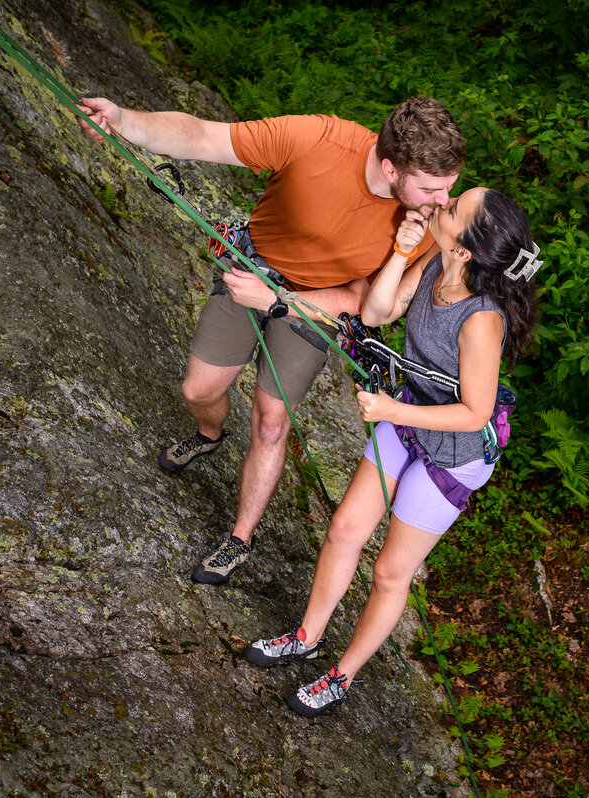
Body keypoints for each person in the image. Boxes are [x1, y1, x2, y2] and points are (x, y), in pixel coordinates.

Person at [74, 96, 466, 585]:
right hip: (253, 268)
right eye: (432, 189)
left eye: (448, 189)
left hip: (318, 306)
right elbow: (204, 136)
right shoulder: (317, 138)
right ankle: (209, 435)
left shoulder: (425, 224)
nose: (441, 202)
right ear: (390, 167)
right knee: (198, 390)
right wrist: (125, 120)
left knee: (272, 422)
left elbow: (364, 302)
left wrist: (277, 301)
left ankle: (240, 537)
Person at [242, 186, 540, 717]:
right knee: (344, 529)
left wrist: (391, 412)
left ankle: (342, 675)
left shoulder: (481, 320)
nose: (438, 209)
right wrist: (402, 254)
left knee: (389, 573)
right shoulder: (434, 264)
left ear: (465, 249)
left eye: (450, 211)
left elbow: (474, 412)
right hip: (406, 417)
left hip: (453, 452)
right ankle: (306, 635)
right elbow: (379, 313)